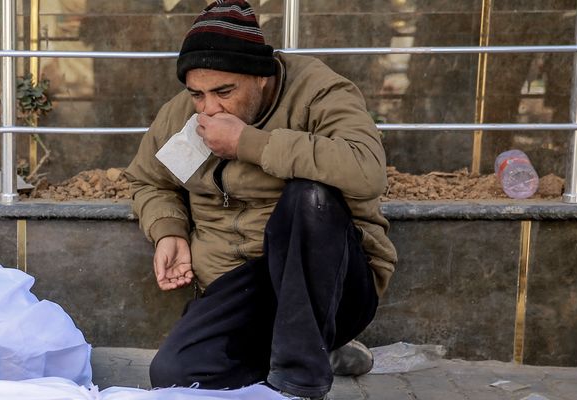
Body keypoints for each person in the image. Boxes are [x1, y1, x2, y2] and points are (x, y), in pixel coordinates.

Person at [123, 1, 398, 399]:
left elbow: (366, 168)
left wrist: (248, 143)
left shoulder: (318, 90)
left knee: (312, 196)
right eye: (197, 94)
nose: (210, 108)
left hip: (334, 284)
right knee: (175, 374)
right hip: (238, 287)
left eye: (224, 92)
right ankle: (316, 351)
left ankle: (299, 382)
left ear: (262, 76)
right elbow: (149, 181)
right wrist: (168, 231)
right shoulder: (183, 113)